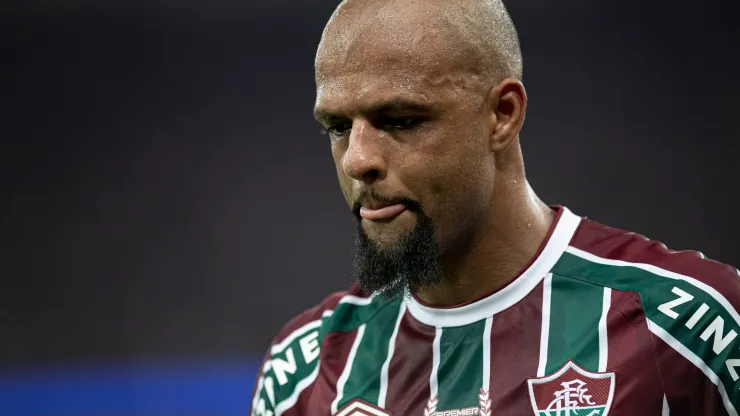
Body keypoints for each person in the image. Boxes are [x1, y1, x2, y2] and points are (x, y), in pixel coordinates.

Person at [249, 0, 740, 414]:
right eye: (337, 127)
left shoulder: (689, 328)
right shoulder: (304, 369)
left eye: (399, 119)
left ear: (503, 114)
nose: (358, 160)